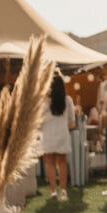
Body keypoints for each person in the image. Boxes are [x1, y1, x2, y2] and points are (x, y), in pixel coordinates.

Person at [41, 72, 76, 200]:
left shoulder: (44, 102)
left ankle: (53, 191)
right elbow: (72, 123)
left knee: (49, 163)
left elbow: (39, 121)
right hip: (62, 135)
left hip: (48, 135)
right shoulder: (68, 101)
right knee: (62, 163)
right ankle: (63, 191)